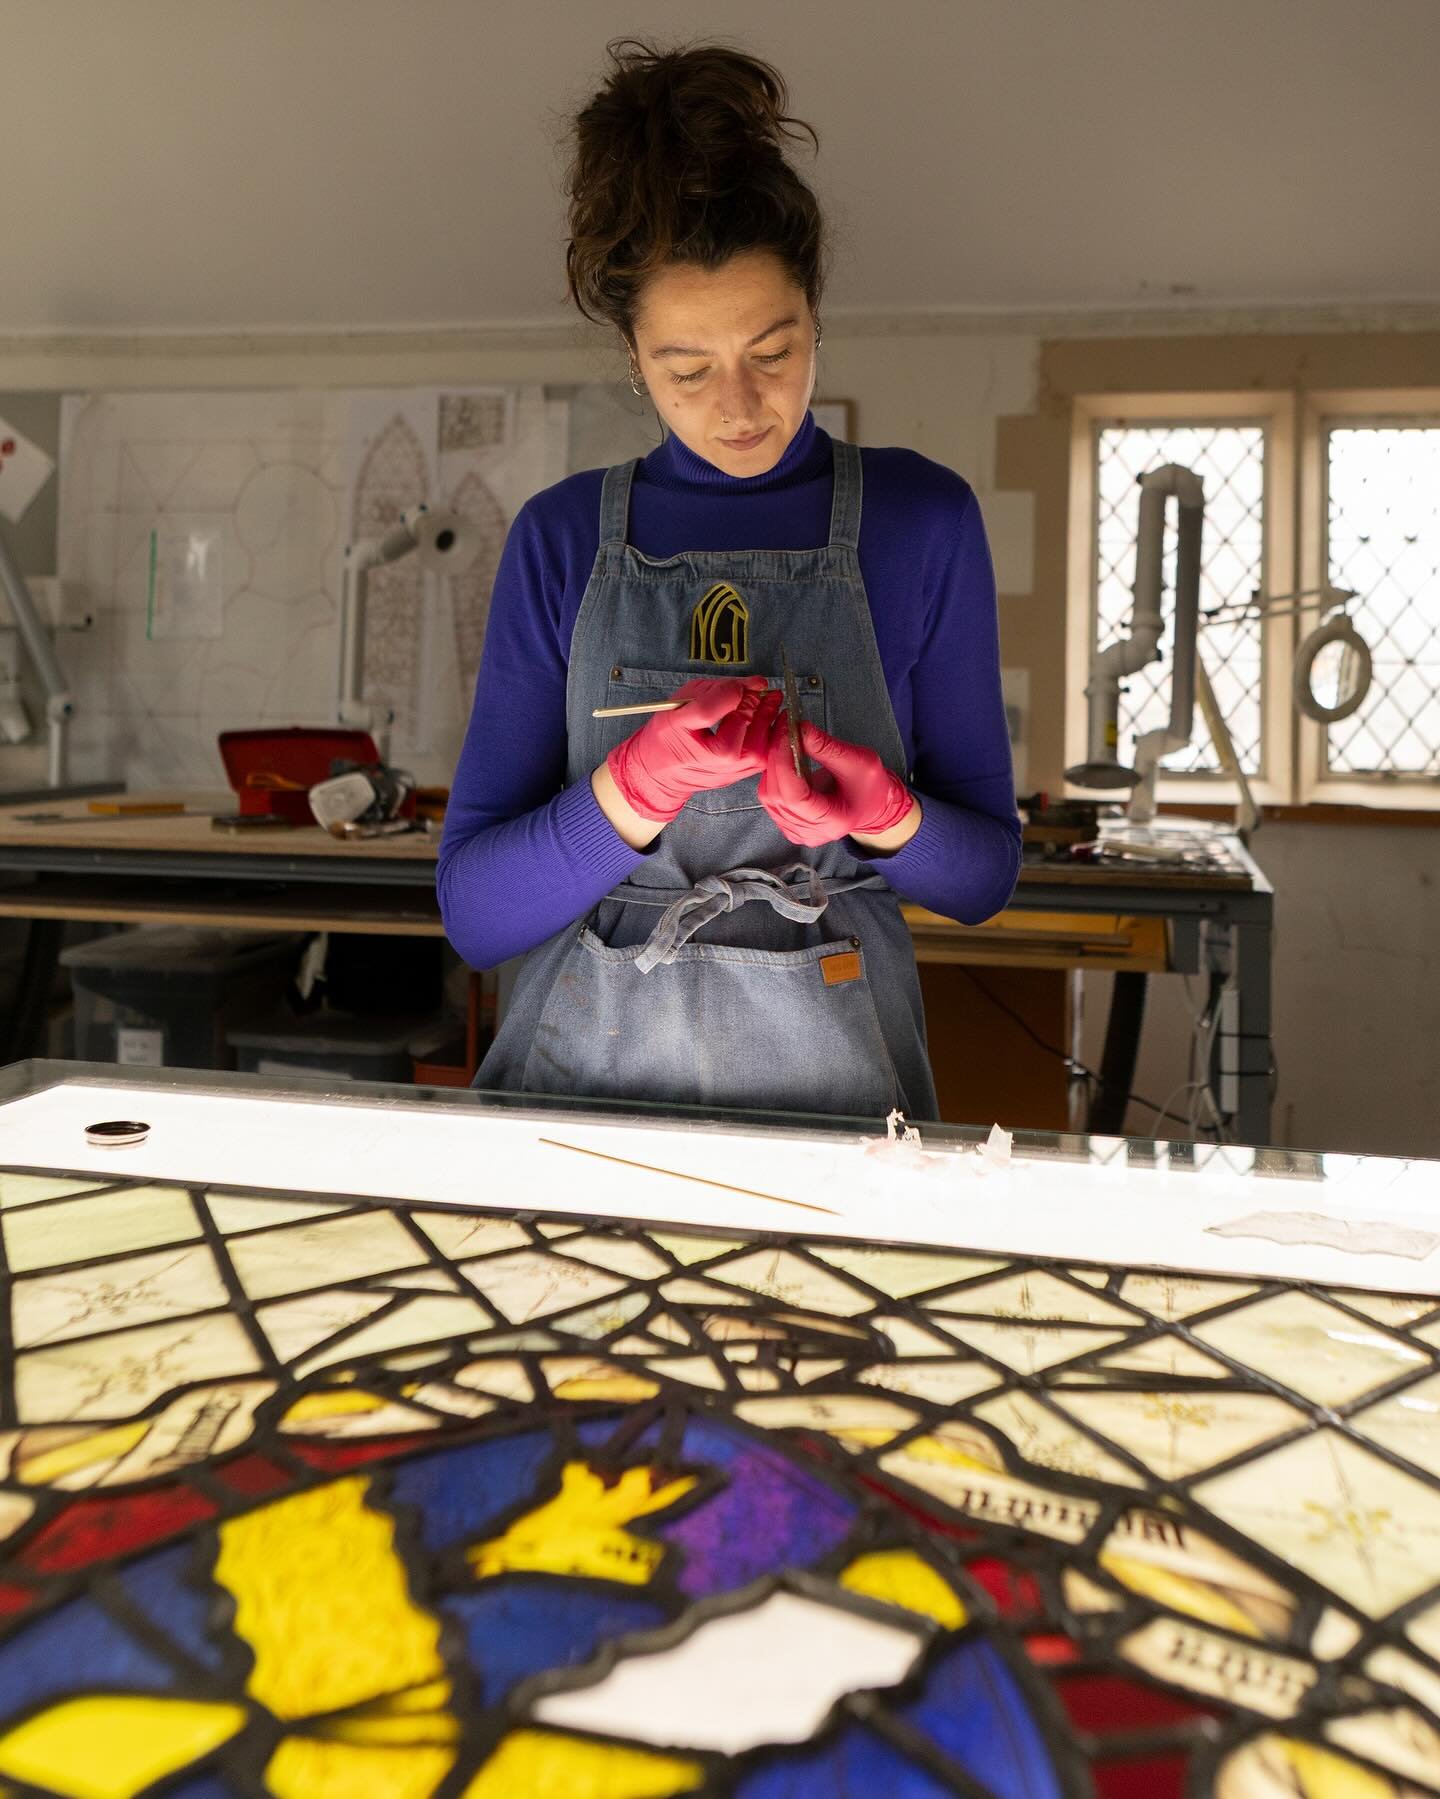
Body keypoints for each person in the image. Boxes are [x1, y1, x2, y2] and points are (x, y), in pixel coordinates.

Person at [438, 39, 1021, 1122]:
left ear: (817, 317)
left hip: (840, 1112)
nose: (740, 403)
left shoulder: (920, 520)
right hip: (580, 1110)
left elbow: (983, 879)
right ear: (631, 355)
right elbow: (475, 913)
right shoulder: (563, 537)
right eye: (687, 369)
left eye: (775, 348)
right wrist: (633, 791)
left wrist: (888, 816)